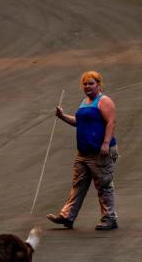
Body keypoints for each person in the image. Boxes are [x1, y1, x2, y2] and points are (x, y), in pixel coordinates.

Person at [47, 71, 119, 231]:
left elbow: (111, 122)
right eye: (85, 84)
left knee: (104, 185)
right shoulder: (85, 102)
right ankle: (67, 216)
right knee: (78, 184)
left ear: (98, 85)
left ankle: (109, 218)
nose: (87, 86)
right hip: (83, 152)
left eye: (91, 83)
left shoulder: (104, 101)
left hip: (100, 151)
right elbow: (79, 122)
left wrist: (106, 143)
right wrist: (63, 116)